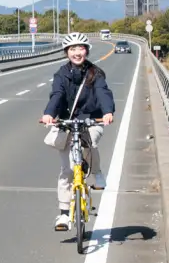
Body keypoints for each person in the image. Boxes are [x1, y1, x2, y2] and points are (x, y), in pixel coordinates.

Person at [39, 34, 115, 232]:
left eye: (80, 48)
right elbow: (57, 95)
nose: (77, 53)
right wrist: (49, 114)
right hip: (67, 121)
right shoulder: (61, 74)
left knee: (90, 141)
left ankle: (96, 172)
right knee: (67, 171)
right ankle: (64, 213)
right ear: (67, 53)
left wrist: (107, 112)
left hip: (92, 119)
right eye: (72, 49)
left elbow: (103, 92)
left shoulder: (95, 73)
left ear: (86, 50)